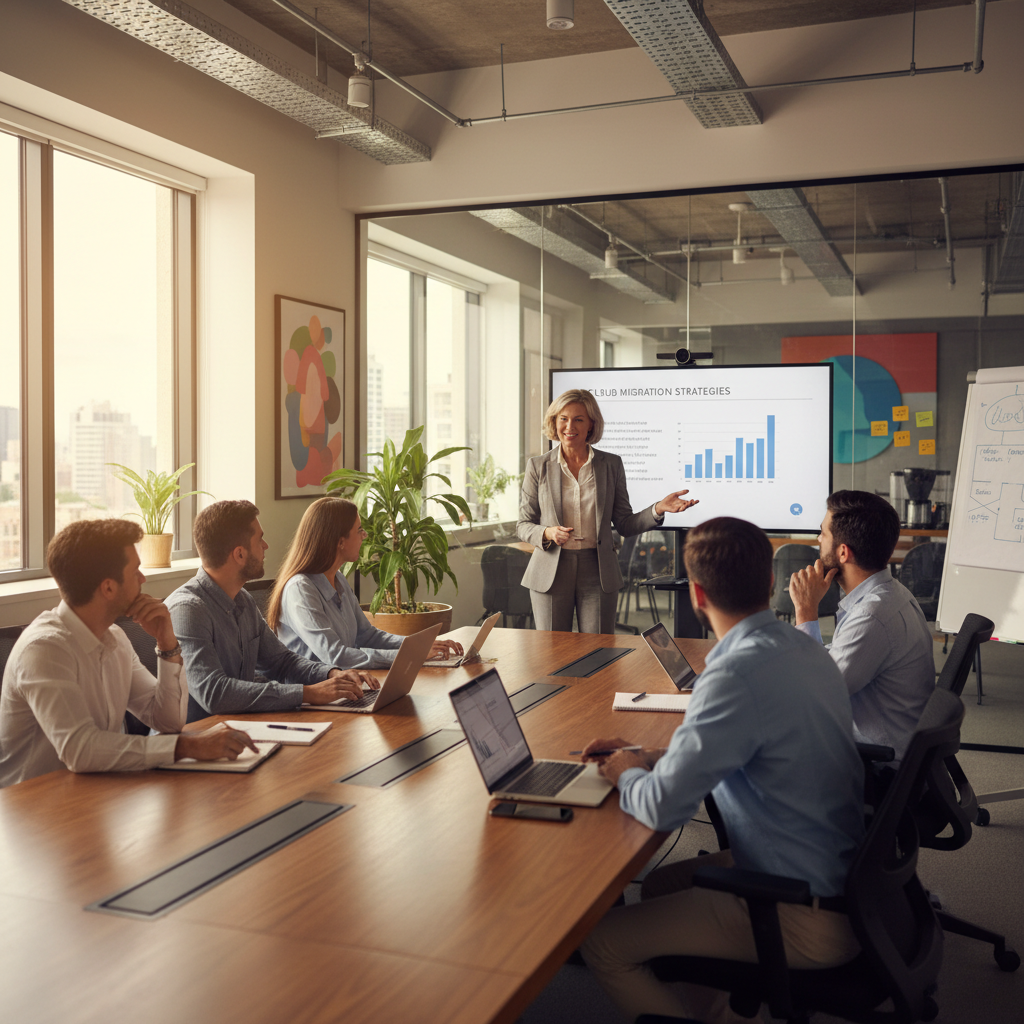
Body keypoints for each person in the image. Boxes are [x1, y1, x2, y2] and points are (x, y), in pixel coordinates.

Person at [579, 517, 864, 1024]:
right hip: (843, 882)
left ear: (696, 593)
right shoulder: (804, 645)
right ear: (771, 583)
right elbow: (749, 746)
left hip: (801, 912)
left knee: (602, 944)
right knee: (662, 883)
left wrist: (623, 774)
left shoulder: (733, 673)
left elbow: (664, 810)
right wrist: (646, 757)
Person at [0, 519, 257, 787]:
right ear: (109, 587)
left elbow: (166, 721)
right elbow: (80, 749)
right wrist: (186, 747)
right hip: (32, 810)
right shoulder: (45, 649)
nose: (143, 579)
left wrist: (167, 644)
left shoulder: (115, 639)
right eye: (136, 571)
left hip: (94, 794)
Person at [166, 500, 379, 721]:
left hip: (239, 728)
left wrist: (333, 674)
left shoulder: (243, 600)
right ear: (239, 554)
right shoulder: (187, 609)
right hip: (194, 740)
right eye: (260, 539)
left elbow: (281, 661)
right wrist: (309, 693)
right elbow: (214, 693)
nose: (266, 546)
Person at [517, 389, 698, 633]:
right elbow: (523, 525)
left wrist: (657, 509)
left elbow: (624, 523)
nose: (569, 426)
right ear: (554, 421)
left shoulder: (611, 464)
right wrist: (547, 532)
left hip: (598, 570)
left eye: (578, 419)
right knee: (552, 652)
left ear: (591, 424)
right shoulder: (538, 466)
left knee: (599, 650)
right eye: (563, 418)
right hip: (551, 570)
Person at [788, 489, 934, 762]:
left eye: (823, 534)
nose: (818, 540)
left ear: (843, 552)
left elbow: (812, 696)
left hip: (875, 766)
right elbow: (835, 657)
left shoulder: (873, 616)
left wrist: (805, 611)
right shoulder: (888, 593)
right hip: (871, 744)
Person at [265, 496, 463, 668]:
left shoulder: (338, 578)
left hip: (346, 685)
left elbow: (368, 635)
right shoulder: (300, 589)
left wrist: (418, 645)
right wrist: (410, 655)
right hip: (311, 699)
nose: (365, 535)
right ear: (339, 542)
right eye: (359, 530)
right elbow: (335, 656)